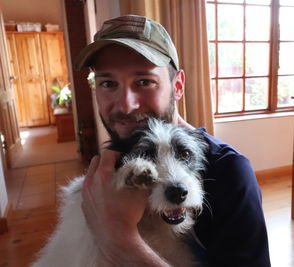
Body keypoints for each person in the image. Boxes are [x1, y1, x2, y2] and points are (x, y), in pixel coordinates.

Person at [75, 14, 271, 266]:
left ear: (177, 86)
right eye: (108, 83)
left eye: (144, 81)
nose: (126, 104)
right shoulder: (107, 167)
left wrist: (121, 241)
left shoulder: (229, 172)